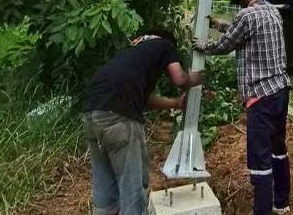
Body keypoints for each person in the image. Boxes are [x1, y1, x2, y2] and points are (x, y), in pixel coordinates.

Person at [82, 28, 204, 215]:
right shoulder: (164, 45)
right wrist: (193, 78)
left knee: (104, 179)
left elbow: (145, 100)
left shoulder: (131, 54)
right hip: (119, 116)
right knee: (133, 184)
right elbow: (179, 78)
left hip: (91, 115)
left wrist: (175, 103)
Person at [197, 0, 291, 215]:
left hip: (260, 95)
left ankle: (262, 211)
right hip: (280, 90)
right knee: (278, 149)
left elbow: (225, 45)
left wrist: (203, 45)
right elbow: (240, 32)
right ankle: (281, 204)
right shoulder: (272, 11)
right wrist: (218, 24)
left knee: (259, 160)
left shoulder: (246, 15)